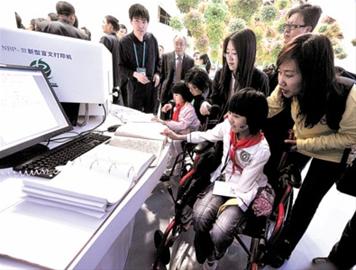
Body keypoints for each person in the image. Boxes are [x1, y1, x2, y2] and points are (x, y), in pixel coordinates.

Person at [264, 33, 356, 268]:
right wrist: (241, 112)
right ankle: (272, 215)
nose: (281, 81)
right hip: (301, 141)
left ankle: (284, 247)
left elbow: (349, 137)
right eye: (280, 72)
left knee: (307, 200)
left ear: (312, 75)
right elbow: (270, 105)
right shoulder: (285, 86)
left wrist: (304, 145)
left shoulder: (349, 96)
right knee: (279, 173)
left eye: (289, 75)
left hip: (331, 154)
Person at [163, 88, 270, 270]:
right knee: (199, 216)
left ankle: (214, 256)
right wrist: (179, 136)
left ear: (251, 120)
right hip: (224, 181)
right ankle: (206, 250)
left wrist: (218, 208)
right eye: (230, 113)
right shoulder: (228, 127)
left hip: (243, 192)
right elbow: (206, 135)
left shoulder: (262, 150)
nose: (229, 118)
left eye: (236, 116)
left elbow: (242, 187)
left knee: (221, 231)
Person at [263, 3, 322, 189]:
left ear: (308, 29)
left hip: (294, 141)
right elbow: (274, 101)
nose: (286, 31)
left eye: (292, 26)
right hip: (272, 131)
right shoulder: (285, 53)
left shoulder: (316, 64)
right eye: (286, 26)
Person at [200, 29, 269, 120]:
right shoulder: (220, 74)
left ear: (246, 54)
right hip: (222, 128)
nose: (229, 58)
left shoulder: (259, 78)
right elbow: (215, 99)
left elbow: (260, 114)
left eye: (234, 53)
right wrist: (207, 104)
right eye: (227, 52)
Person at [117, 3, 160, 113]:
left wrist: (157, 74)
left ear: (147, 23)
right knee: (134, 117)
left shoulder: (152, 39)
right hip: (134, 87)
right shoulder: (124, 42)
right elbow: (120, 67)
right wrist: (135, 74)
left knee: (150, 117)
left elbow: (158, 62)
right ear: (131, 21)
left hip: (151, 86)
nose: (141, 25)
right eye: (137, 21)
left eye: (144, 22)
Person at [158, 82, 200, 177]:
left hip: (190, 133)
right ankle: (169, 167)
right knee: (169, 142)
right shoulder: (177, 107)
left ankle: (178, 165)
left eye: (177, 95)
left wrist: (165, 122)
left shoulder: (189, 108)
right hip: (181, 131)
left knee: (176, 142)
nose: (174, 97)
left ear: (184, 95)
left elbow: (182, 125)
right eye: (174, 94)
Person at [159, 35, 195, 113]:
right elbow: (161, 76)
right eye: (176, 43)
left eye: (181, 44)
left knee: (178, 118)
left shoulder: (190, 60)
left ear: (185, 45)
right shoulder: (166, 56)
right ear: (173, 44)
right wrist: (159, 92)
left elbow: (190, 79)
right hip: (167, 92)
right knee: (165, 117)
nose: (178, 46)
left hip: (182, 94)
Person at [100, 15, 121, 105]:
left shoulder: (106, 39)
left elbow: (100, 61)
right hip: (117, 83)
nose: (102, 25)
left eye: (104, 22)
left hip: (107, 83)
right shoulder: (119, 41)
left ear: (110, 26)